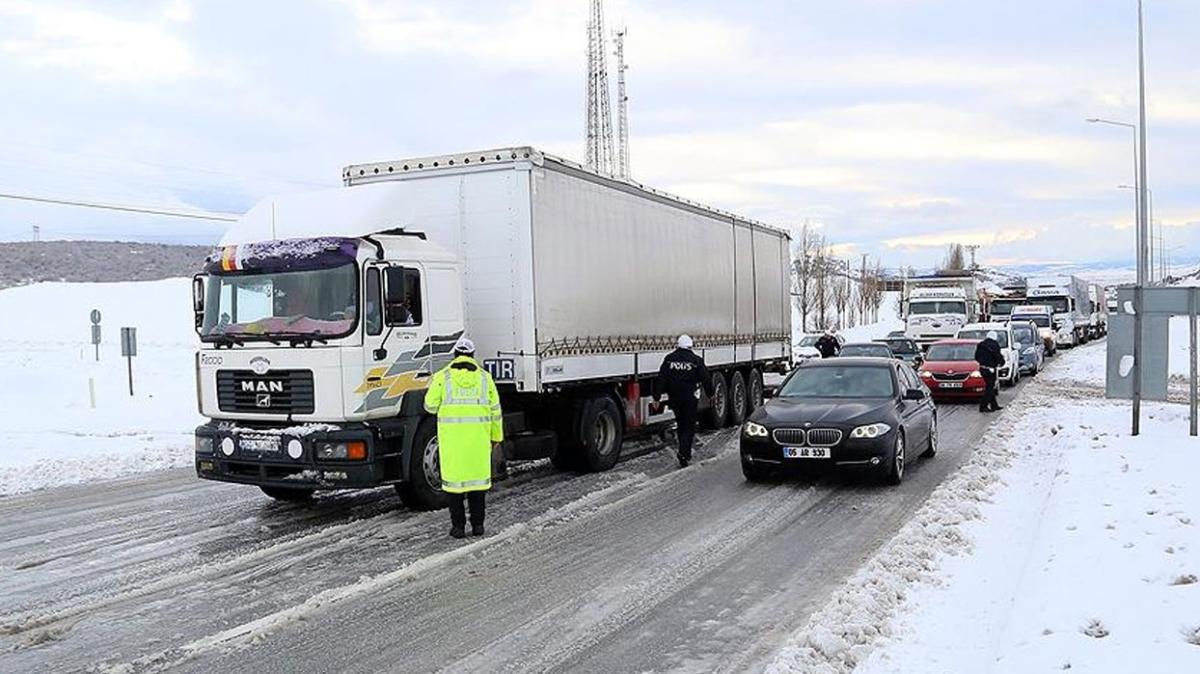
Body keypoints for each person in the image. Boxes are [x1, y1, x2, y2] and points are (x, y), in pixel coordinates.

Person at [423, 337, 503, 539]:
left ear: (455, 355)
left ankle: (458, 527)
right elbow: (496, 411)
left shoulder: (442, 377)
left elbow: (429, 406)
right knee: (477, 488)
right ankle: (478, 526)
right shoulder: (486, 379)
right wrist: (496, 438)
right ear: (473, 355)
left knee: (454, 488)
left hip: (452, 443)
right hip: (478, 442)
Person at [656, 334, 715, 468]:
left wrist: (657, 397)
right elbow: (706, 378)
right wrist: (711, 394)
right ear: (690, 346)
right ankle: (684, 453)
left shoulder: (669, 359)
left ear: (678, 345)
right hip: (690, 398)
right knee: (689, 426)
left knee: (681, 423)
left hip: (675, 398)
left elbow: (661, 378)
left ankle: (683, 449)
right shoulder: (696, 360)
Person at [974, 331, 1005, 413]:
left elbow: (976, 357)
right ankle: (983, 406)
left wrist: (982, 362)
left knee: (990, 386)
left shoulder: (980, 345)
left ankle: (994, 405)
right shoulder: (994, 345)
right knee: (990, 388)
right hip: (990, 369)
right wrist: (1001, 362)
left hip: (982, 368)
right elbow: (997, 356)